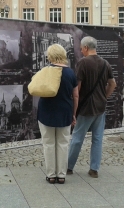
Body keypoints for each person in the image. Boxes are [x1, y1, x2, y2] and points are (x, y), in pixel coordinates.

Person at [67, 36, 116, 178]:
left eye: (82, 48)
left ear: (86, 48)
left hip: (85, 107)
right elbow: (112, 84)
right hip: (100, 108)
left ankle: (69, 167)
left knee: (77, 138)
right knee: (97, 139)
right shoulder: (105, 63)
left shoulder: (82, 63)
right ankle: (94, 169)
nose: (81, 51)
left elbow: (78, 87)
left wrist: (74, 108)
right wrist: (104, 97)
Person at [37, 44, 78, 184]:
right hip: (65, 111)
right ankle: (61, 175)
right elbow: (76, 96)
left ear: (50, 55)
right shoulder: (71, 73)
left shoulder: (45, 71)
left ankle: (51, 174)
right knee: (63, 143)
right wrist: (74, 114)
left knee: (48, 143)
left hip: (46, 111)